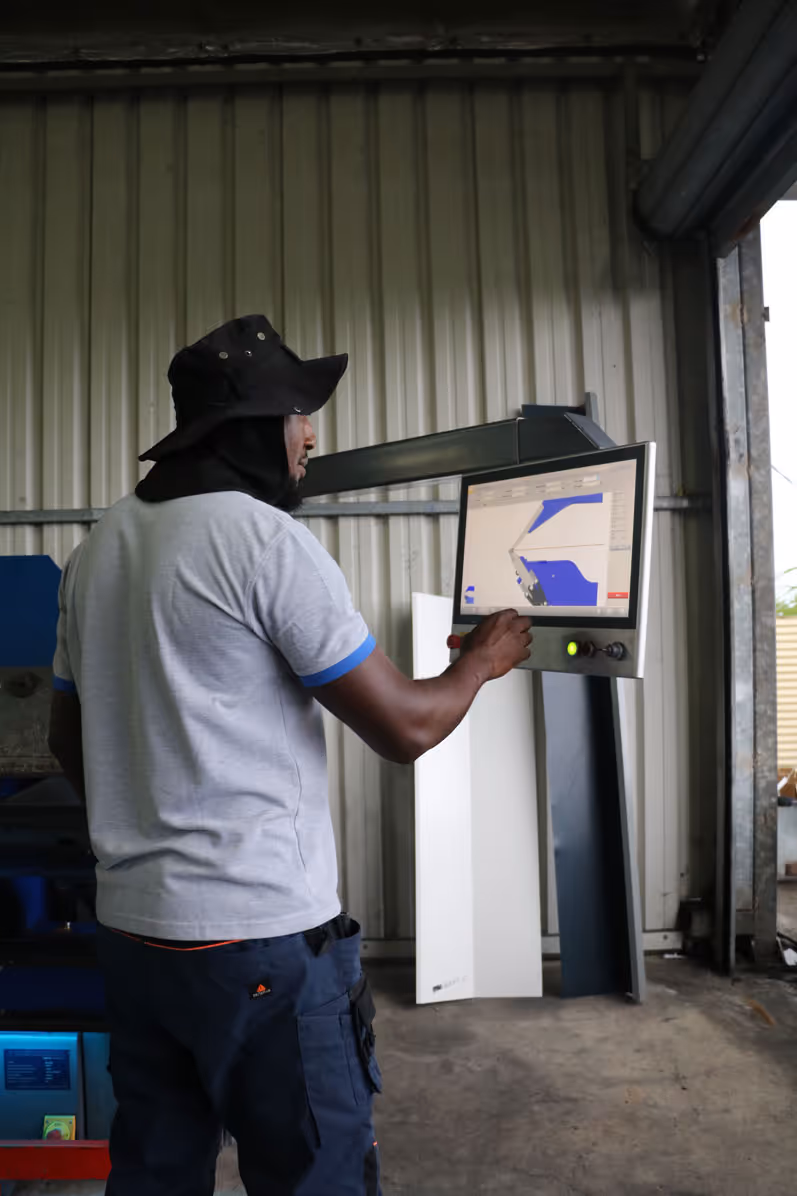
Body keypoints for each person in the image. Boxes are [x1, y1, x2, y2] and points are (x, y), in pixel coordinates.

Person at [47, 314, 532, 1196]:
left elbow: (64, 736)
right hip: (260, 942)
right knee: (313, 1173)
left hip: (133, 931)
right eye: (301, 414)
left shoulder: (97, 548)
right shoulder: (264, 544)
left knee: (156, 1169)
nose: (312, 435)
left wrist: (148, 820)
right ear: (254, 427)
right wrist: (481, 661)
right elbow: (406, 728)